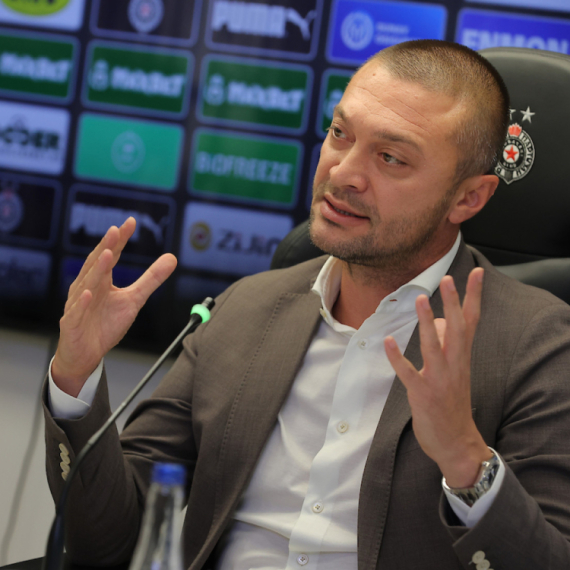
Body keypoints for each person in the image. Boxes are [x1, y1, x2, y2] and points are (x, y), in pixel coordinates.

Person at [44, 40, 570, 570]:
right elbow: (109, 543)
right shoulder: (246, 308)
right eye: (340, 134)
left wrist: (465, 459)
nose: (343, 173)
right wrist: (75, 376)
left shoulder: (538, 345)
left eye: (390, 157)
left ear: (468, 198)